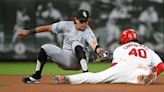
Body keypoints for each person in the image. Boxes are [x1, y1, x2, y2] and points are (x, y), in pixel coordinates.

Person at [18, 9, 109, 83]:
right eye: (81, 21)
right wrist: (28, 32)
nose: (84, 24)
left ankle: (86, 74)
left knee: (75, 44)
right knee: (45, 47)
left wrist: (100, 52)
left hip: (78, 61)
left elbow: (94, 45)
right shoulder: (66, 25)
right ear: (75, 19)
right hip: (65, 58)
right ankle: (36, 77)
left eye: (86, 21)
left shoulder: (88, 32)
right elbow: (47, 28)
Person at [53, 29, 164, 85]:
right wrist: (155, 73)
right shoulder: (148, 49)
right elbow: (161, 66)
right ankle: (145, 76)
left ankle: (67, 78)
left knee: (97, 77)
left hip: (124, 66)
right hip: (142, 67)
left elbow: (114, 66)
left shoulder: (120, 49)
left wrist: (111, 76)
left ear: (123, 40)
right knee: (137, 76)